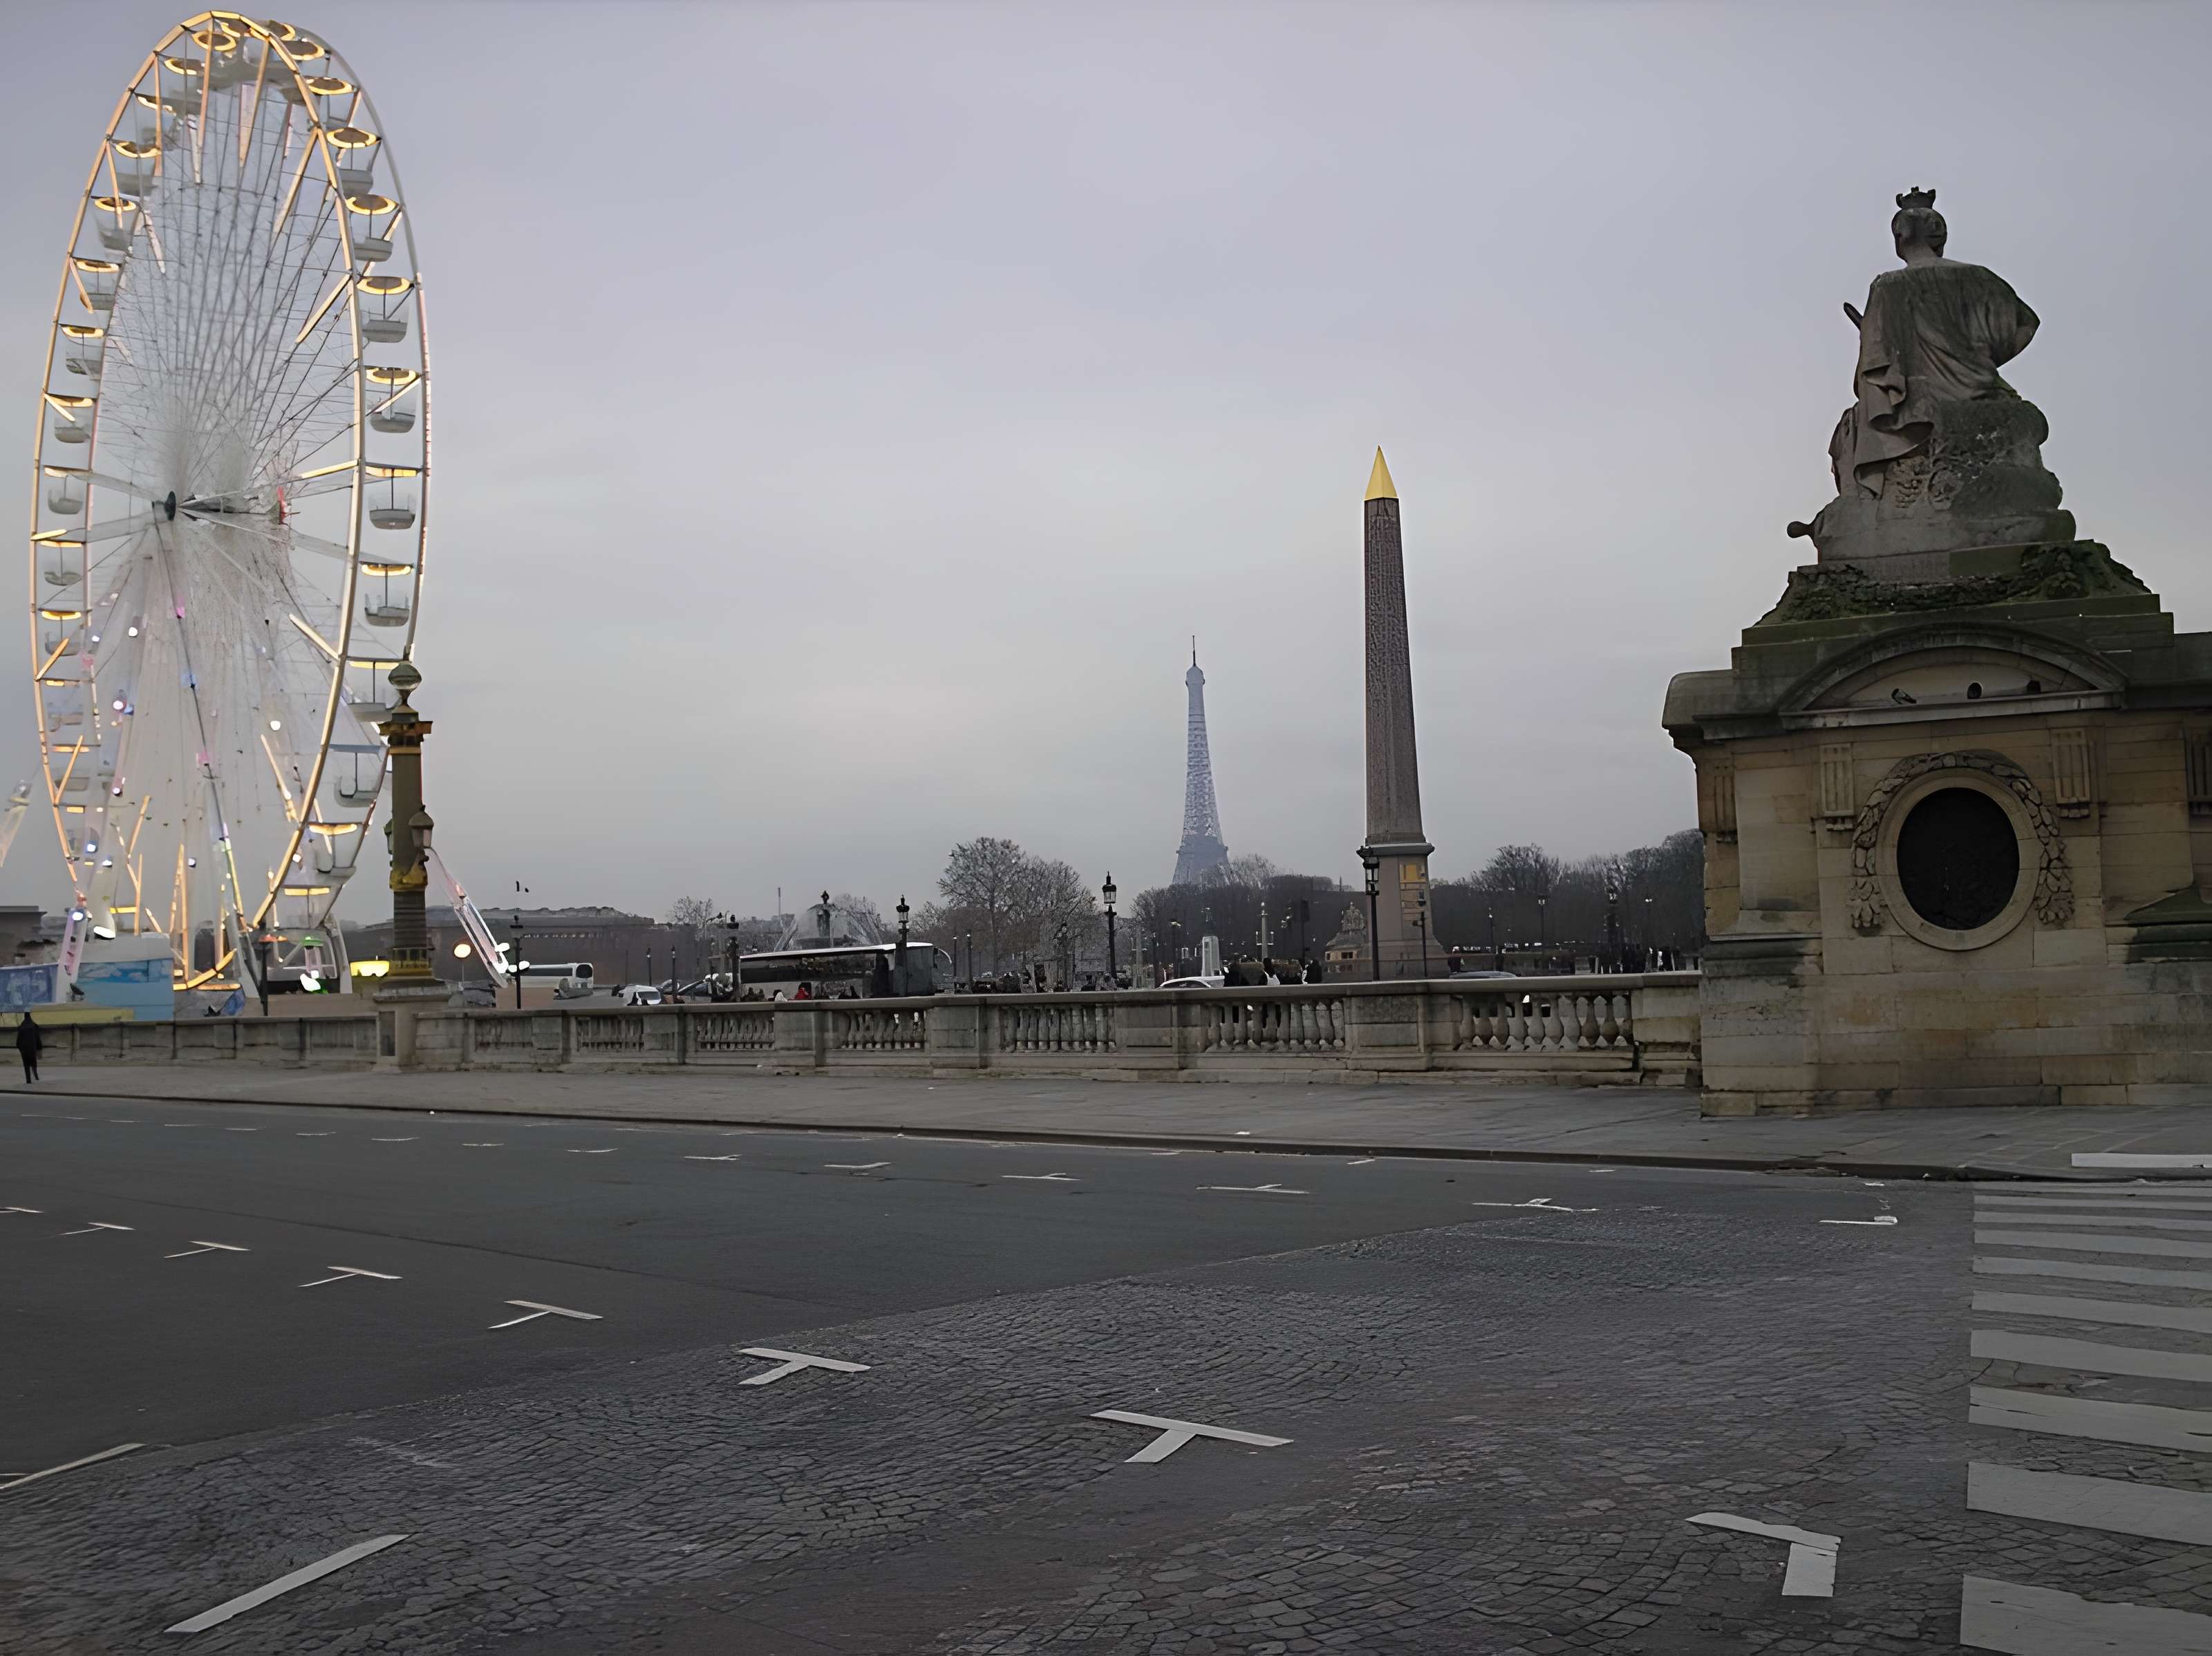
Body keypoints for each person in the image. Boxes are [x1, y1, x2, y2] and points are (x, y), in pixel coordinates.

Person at [15, 1010, 43, 1084]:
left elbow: (17, 1042)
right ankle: (36, 1077)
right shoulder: (34, 1026)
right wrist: (39, 1048)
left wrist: (20, 1048)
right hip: (32, 1049)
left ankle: (28, 1080)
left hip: (24, 1050)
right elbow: (38, 1039)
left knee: (26, 1065)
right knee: (34, 1064)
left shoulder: (21, 1027)